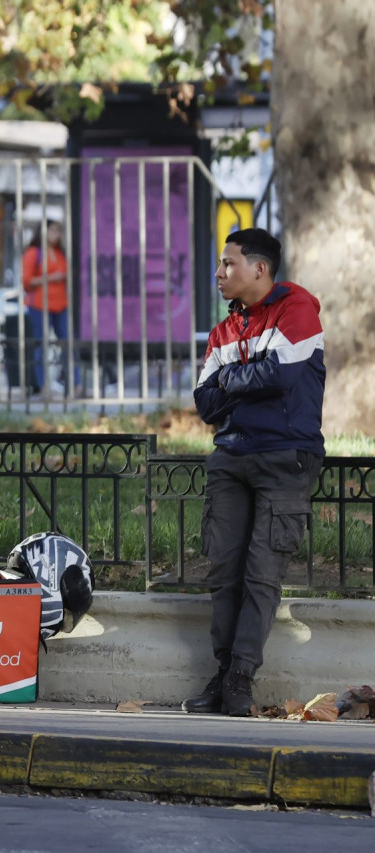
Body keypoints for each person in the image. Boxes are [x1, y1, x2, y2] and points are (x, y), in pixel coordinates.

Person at [186, 228, 324, 717]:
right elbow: (205, 402)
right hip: (230, 457)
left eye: (228, 264)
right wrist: (243, 378)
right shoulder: (225, 329)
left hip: (286, 457)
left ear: (259, 268)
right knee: (224, 572)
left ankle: (241, 679)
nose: (219, 274)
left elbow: (281, 374)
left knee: (262, 576)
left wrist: (230, 378)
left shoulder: (298, 308)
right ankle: (224, 675)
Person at [20, 220, 73, 396]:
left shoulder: (60, 253)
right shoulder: (33, 253)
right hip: (40, 305)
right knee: (41, 345)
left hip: (61, 304)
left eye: (58, 231)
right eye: (52, 230)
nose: (56, 234)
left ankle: (75, 384)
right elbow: (26, 281)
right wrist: (51, 278)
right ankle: (43, 386)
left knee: (67, 343)